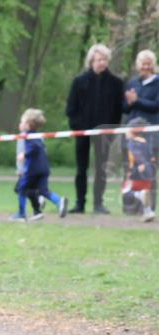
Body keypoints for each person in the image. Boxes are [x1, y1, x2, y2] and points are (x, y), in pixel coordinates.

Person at [65, 44, 125, 214]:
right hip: (82, 131)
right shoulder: (79, 81)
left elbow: (118, 109)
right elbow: (71, 108)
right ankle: (80, 203)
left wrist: (111, 129)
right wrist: (78, 127)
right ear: (92, 60)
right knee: (81, 168)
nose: (102, 63)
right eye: (99, 59)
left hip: (104, 133)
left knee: (101, 168)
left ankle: (98, 203)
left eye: (105, 59)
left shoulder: (116, 83)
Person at [11, 108, 68, 222]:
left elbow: (34, 148)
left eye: (22, 122)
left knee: (21, 189)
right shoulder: (39, 136)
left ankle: (21, 214)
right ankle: (58, 201)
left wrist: (24, 155)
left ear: (28, 125)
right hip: (44, 168)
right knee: (43, 190)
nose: (20, 124)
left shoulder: (27, 136)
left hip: (32, 170)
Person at [124, 49, 159, 212]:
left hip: (151, 134)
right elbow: (125, 108)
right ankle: (131, 207)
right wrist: (129, 102)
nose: (145, 67)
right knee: (131, 169)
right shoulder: (132, 83)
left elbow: (156, 106)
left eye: (148, 64)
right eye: (142, 64)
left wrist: (137, 100)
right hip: (132, 134)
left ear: (153, 65)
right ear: (138, 65)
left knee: (149, 170)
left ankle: (149, 207)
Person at [123, 117, 155, 223]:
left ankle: (140, 195)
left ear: (133, 130)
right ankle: (148, 212)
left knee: (126, 191)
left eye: (127, 129)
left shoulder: (132, 142)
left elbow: (136, 154)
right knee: (145, 192)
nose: (125, 132)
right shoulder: (145, 141)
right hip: (149, 171)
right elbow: (152, 158)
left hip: (138, 171)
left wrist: (140, 164)